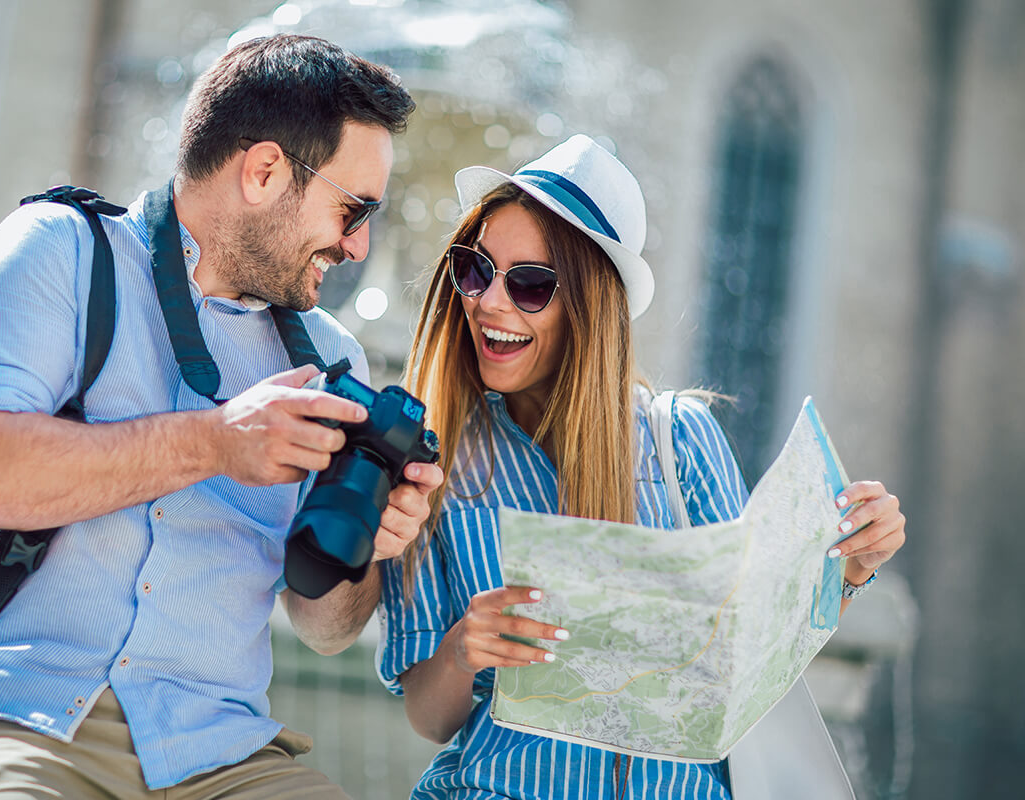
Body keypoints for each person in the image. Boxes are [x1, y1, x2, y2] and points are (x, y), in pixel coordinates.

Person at [0, 34, 442, 799]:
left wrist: (368, 545)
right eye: (353, 210)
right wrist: (216, 443)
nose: (359, 246)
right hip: (17, 723)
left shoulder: (331, 356)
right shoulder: (59, 252)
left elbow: (326, 630)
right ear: (264, 172)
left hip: (226, 756)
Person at [376, 134, 908, 799]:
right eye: (475, 268)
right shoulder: (436, 460)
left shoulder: (679, 441)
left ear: (591, 308)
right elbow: (429, 717)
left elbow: (746, 660)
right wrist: (462, 647)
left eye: (531, 284)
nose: (486, 301)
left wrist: (849, 568)